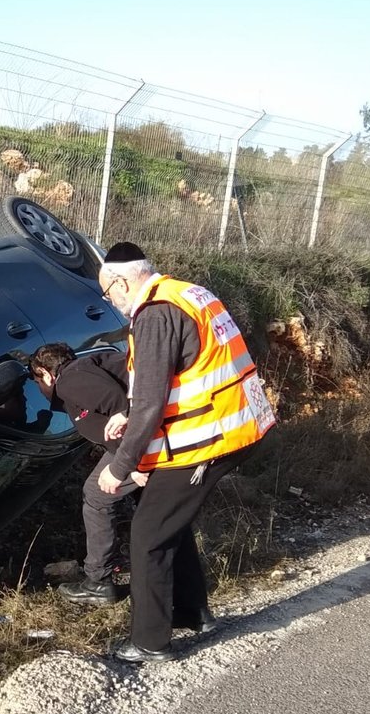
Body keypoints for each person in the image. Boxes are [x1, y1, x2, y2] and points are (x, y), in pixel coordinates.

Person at [96, 241, 275, 663]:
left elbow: (152, 404)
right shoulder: (189, 293)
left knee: (147, 537)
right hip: (235, 426)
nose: (110, 301)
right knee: (167, 523)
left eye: (107, 292)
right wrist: (128, 413)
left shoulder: (155, 315)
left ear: (121, 282)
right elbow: (174, 378)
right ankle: (193, 612)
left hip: (208, 439)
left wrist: (123, 466)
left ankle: (149, 642)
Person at [28, 342, 146, 606]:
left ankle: (99, 581)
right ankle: (106, 575)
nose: (40, 389)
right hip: (139, 444)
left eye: (37, 382)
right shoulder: (82, 372)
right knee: (97, 492)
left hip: (145, 445)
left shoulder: (70, 379)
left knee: (96, 496)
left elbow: (119, 403)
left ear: (45, 373)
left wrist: (135, 464)